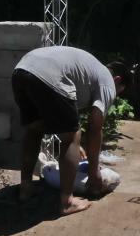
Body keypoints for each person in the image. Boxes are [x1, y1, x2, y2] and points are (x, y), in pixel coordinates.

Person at [11, 46, 133, 216]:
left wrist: (75, 147)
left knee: (34, 130)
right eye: (119, 92)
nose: (115, 96)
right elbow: (95, 128)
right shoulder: (107, 81)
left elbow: (58, 115)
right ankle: (67, 202)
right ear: (118, 80)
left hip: (21, 70)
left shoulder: (89, 71)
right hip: (49, 75)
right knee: (72, 137)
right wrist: (93, 171)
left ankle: (26, 188)